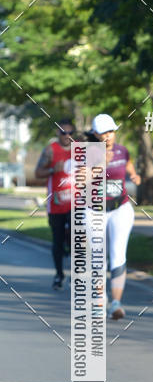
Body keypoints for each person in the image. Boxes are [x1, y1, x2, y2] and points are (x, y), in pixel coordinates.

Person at [89, 113, 141, 319]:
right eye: (103, 133)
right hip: (95, 211)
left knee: (118, 255)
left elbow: (128, 165)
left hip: (121, 208)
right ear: (95, 134)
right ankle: (99, 301)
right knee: (98, 257)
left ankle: (116, 303)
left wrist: (134, 175)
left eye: (110, 131)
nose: (108, 136)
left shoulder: (122, 150)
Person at [35, 118, 75, 290]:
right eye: (64, 132)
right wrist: (52, 169)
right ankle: (59, 274)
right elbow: (38, 173)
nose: (67, 136)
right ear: (58, 133)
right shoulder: (50, 150)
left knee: (76, 240)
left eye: (70, 133)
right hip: (56, 204)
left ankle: (76, 274)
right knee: (57, 241)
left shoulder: (79, 149)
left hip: (76, 204)